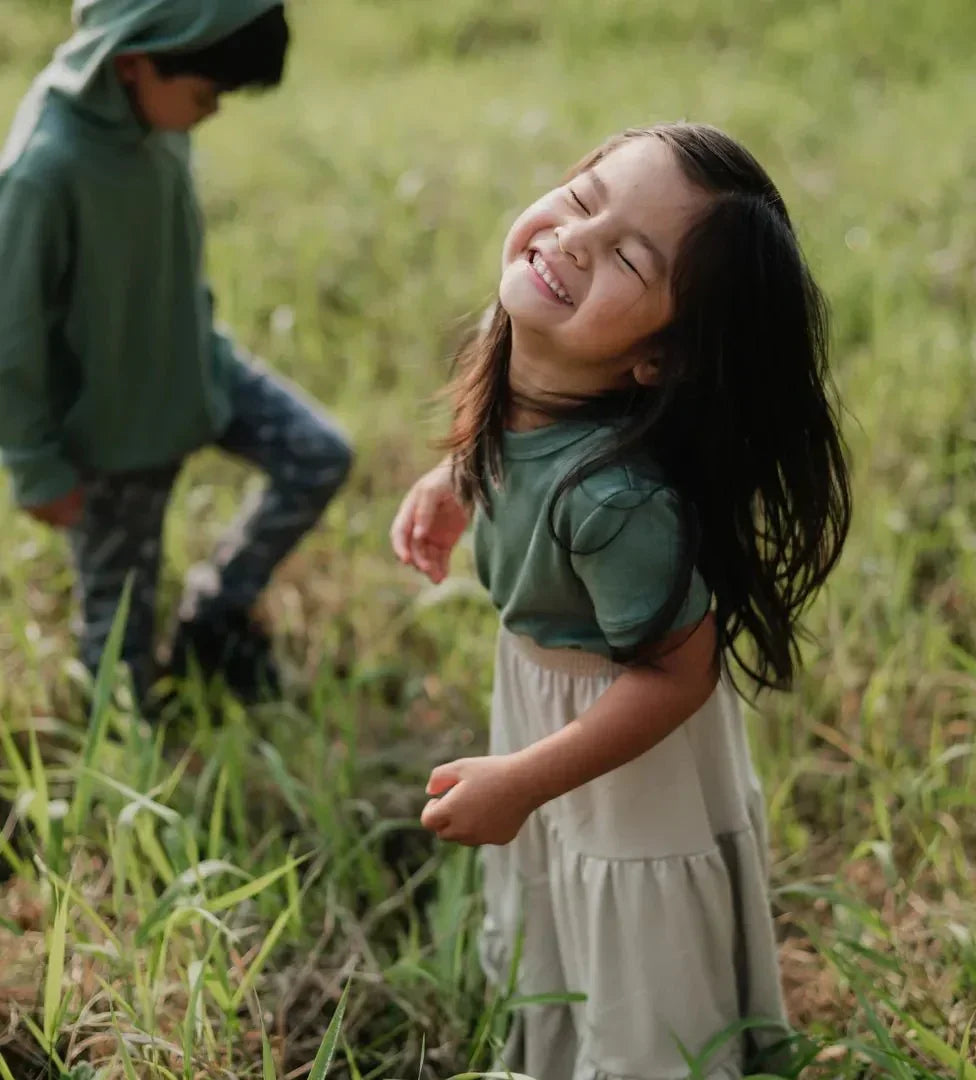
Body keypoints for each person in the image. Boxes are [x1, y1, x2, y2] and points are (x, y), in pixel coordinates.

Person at [392, 123, 851, 1079]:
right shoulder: (519, 338)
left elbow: (679, 677)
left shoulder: (613, 502)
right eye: (584, 198)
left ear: (659, 359)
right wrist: (453, 481)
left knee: (636, 928)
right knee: (559, 888)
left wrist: (526, 780)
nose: (573, 240)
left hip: (618, 725)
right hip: (539, 690)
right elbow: (504, 432)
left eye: (626, 257)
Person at [0, 0, 353, 706]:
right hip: (112, 437)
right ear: (131, 63)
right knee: (119, 639)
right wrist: (35, 465)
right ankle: (130, 774)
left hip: (196, 368)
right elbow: (12, 331)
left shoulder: (159, 118)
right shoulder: (45, 168)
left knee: (319, 454)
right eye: (204, 95)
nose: (212, 112)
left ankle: (216, 614)